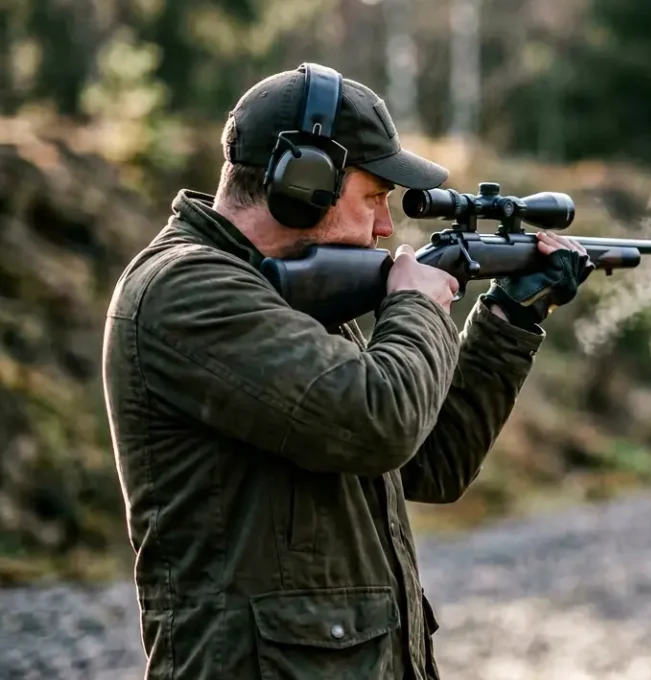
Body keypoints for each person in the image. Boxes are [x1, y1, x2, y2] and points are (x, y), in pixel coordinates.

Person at [100, 62, 593, 679]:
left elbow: (434, 463)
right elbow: (380, 421)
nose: (385, 226)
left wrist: (508, 318)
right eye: (373, 198)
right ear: (303, 183)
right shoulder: (185, 288)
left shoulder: (297, 296)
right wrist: (416, 303)